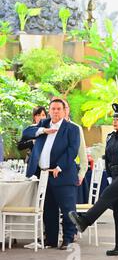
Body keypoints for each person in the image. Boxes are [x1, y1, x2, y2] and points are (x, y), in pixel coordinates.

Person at [69, 104, 118, 256]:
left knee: (106, 195)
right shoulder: (110, 137)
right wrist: (109, 175)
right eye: (114, 118)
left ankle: (85, 220)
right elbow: (107, 158)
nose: (115, 121)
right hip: (115, 175)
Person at [23, 99, 80, 249]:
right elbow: (26, 132)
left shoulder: (72, 128)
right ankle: (51, 240)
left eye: (58, 109)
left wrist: (60, 166)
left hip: (63, 174)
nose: (55, 111)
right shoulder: (44, 124)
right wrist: (43, 131)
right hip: (44, 175)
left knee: (68, 209)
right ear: (49, 110)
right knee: (49, 210)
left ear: (64, 111)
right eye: (53, 109)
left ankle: (68, 238)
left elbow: (72, 150)